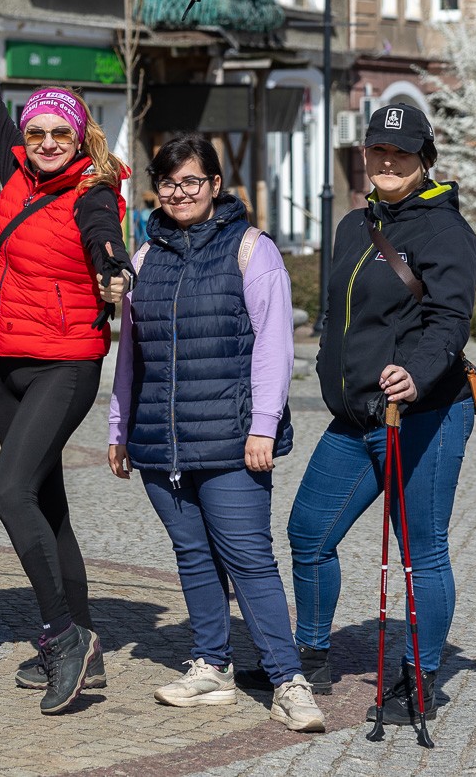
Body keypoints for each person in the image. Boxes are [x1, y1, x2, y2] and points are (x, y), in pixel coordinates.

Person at [0, 0, 131, 716]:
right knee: (47, 503)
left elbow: (104, 239)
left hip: (64, 363)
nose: (48, 141)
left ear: (80, 135)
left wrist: (113, 268)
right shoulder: (15, 167)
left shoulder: (93, 190)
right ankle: (83, 638)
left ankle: (62, 634)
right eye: (38, 132)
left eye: (61, 132)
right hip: (2, 363)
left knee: (8, 490)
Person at [106, 135, 324, 733]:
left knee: (249, 558)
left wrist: (263, 426)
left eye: (192, 183)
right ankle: (211, 666)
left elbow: (275, 349)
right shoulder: (145, 256)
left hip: (232, 438)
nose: (180, 194)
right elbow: (132, 353)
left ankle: (288, 679)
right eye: (170, 183)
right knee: (193, 555)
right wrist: (120, 426)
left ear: (216, 185)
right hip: (160, 439)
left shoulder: (253, 250)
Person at [287, 103, 476, 725]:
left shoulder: (446, 232)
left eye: (402, 152)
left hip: (423, 414)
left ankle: (420, 678)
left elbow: (449, 322)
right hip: (356, 418)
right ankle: (312, 654)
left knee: (421, 552)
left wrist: (415, 373)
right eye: (378, 150)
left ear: (424, 157)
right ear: (365, 154)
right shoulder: (354, 226)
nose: (389, 161)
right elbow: (337, 315)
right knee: (308, 533)